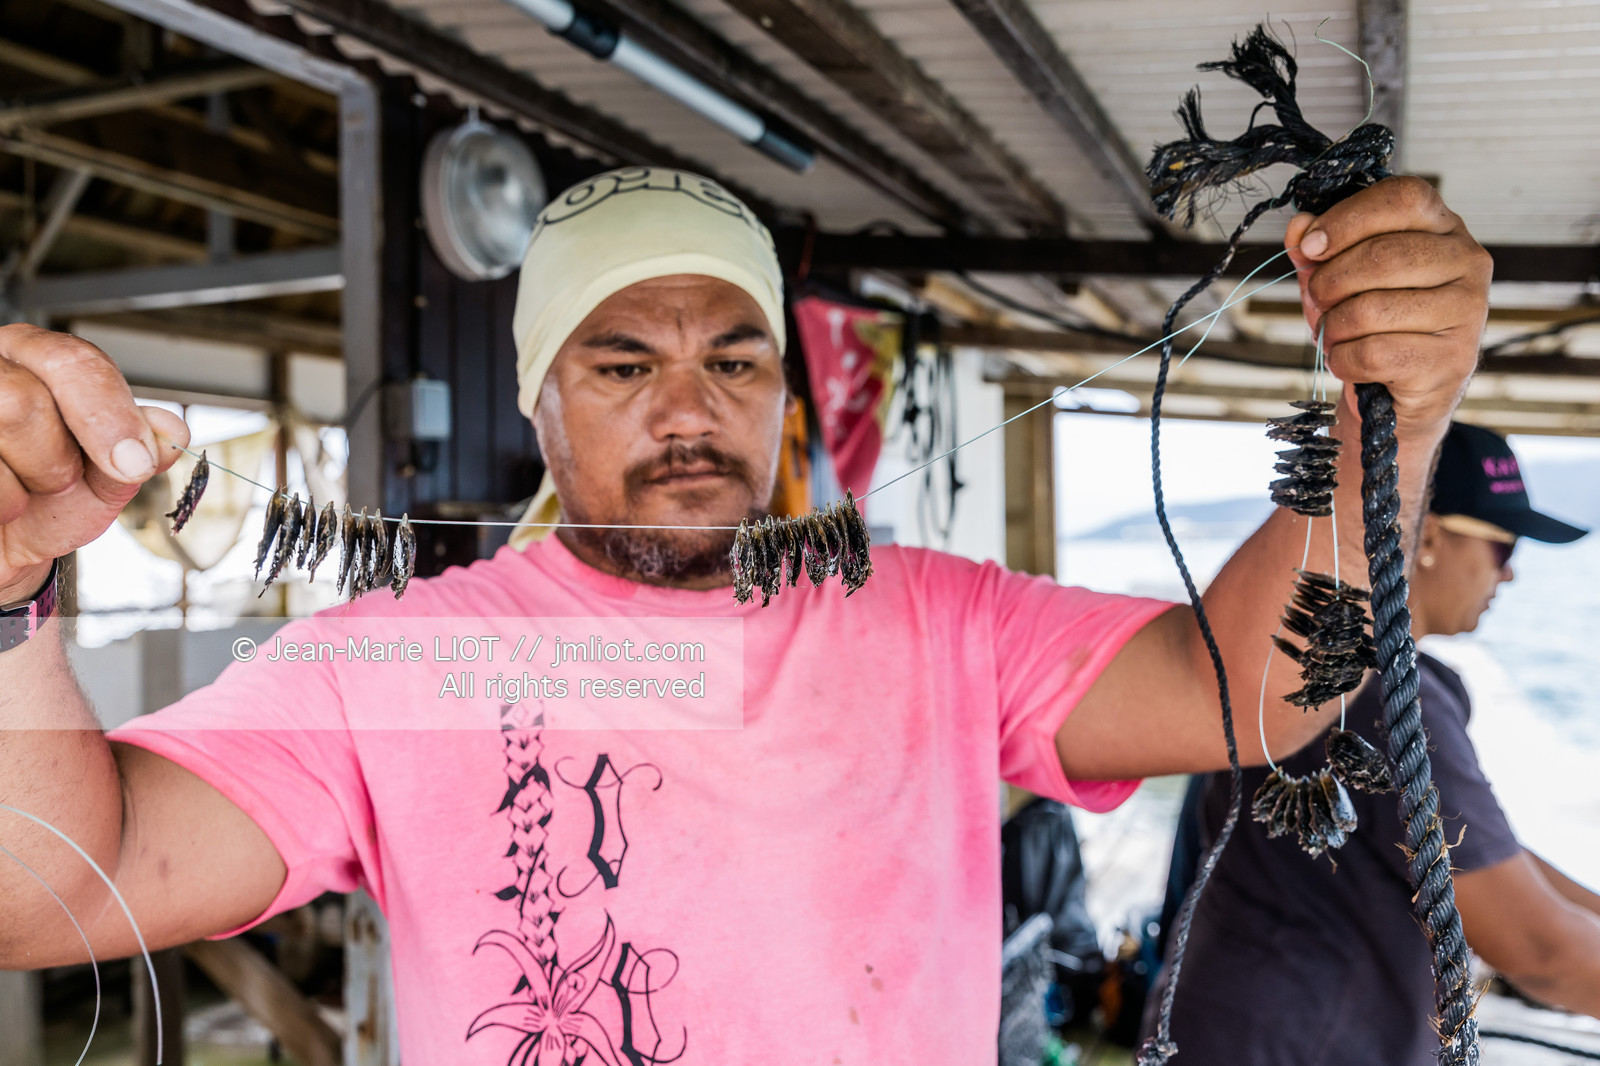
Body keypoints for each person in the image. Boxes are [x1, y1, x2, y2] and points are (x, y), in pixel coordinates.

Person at [0, 167, 1489, 1063]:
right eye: (621, 361)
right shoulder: (399, 657)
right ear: (538, 399)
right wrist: (9, 588)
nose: (686, 411)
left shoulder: (933, 619)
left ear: (781, 388)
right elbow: (59, 888)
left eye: (732, 358)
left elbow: (1244, 688)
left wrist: (1392, 415)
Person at [1146, 421, 1600, 1066]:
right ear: (1432, 536)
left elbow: (1485, 860)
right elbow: (1540, 952)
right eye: (1504, 548)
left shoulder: (1324, 661)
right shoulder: (1388, 701)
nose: (1511, 576)